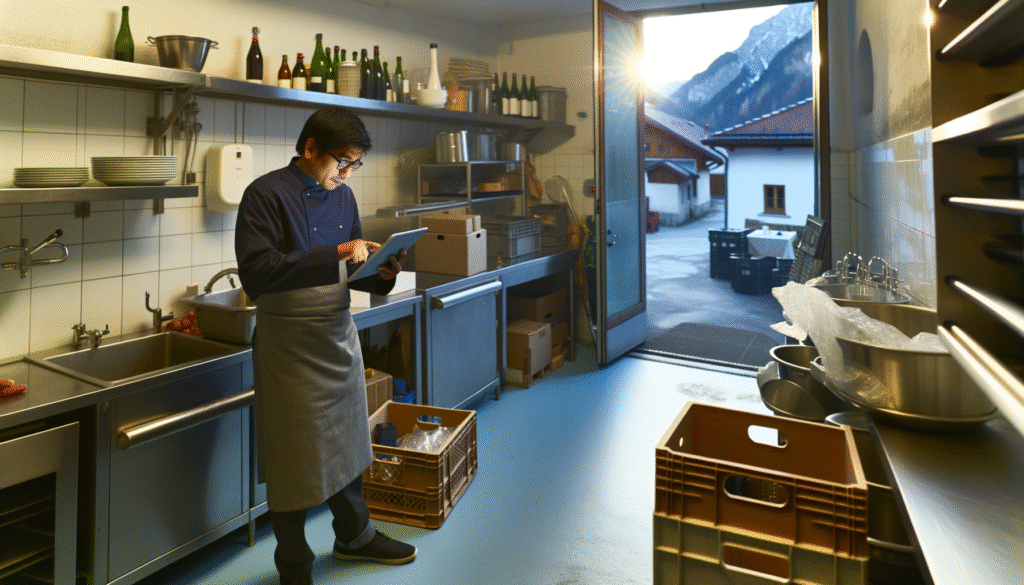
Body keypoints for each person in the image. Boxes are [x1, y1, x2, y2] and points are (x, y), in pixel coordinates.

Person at [235, 106, 415, 585]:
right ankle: (294, 564)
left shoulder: (344, 198)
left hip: (336, 334)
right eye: (341, 161)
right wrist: (334, 253)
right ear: (310, 148)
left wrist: (383, 275)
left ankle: (354, 537)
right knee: (292, 456)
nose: (346, 172)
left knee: (349, 442)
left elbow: (355, 276)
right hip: (288, 342)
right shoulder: (265, 194)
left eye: (354, 164)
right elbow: (256, 274)